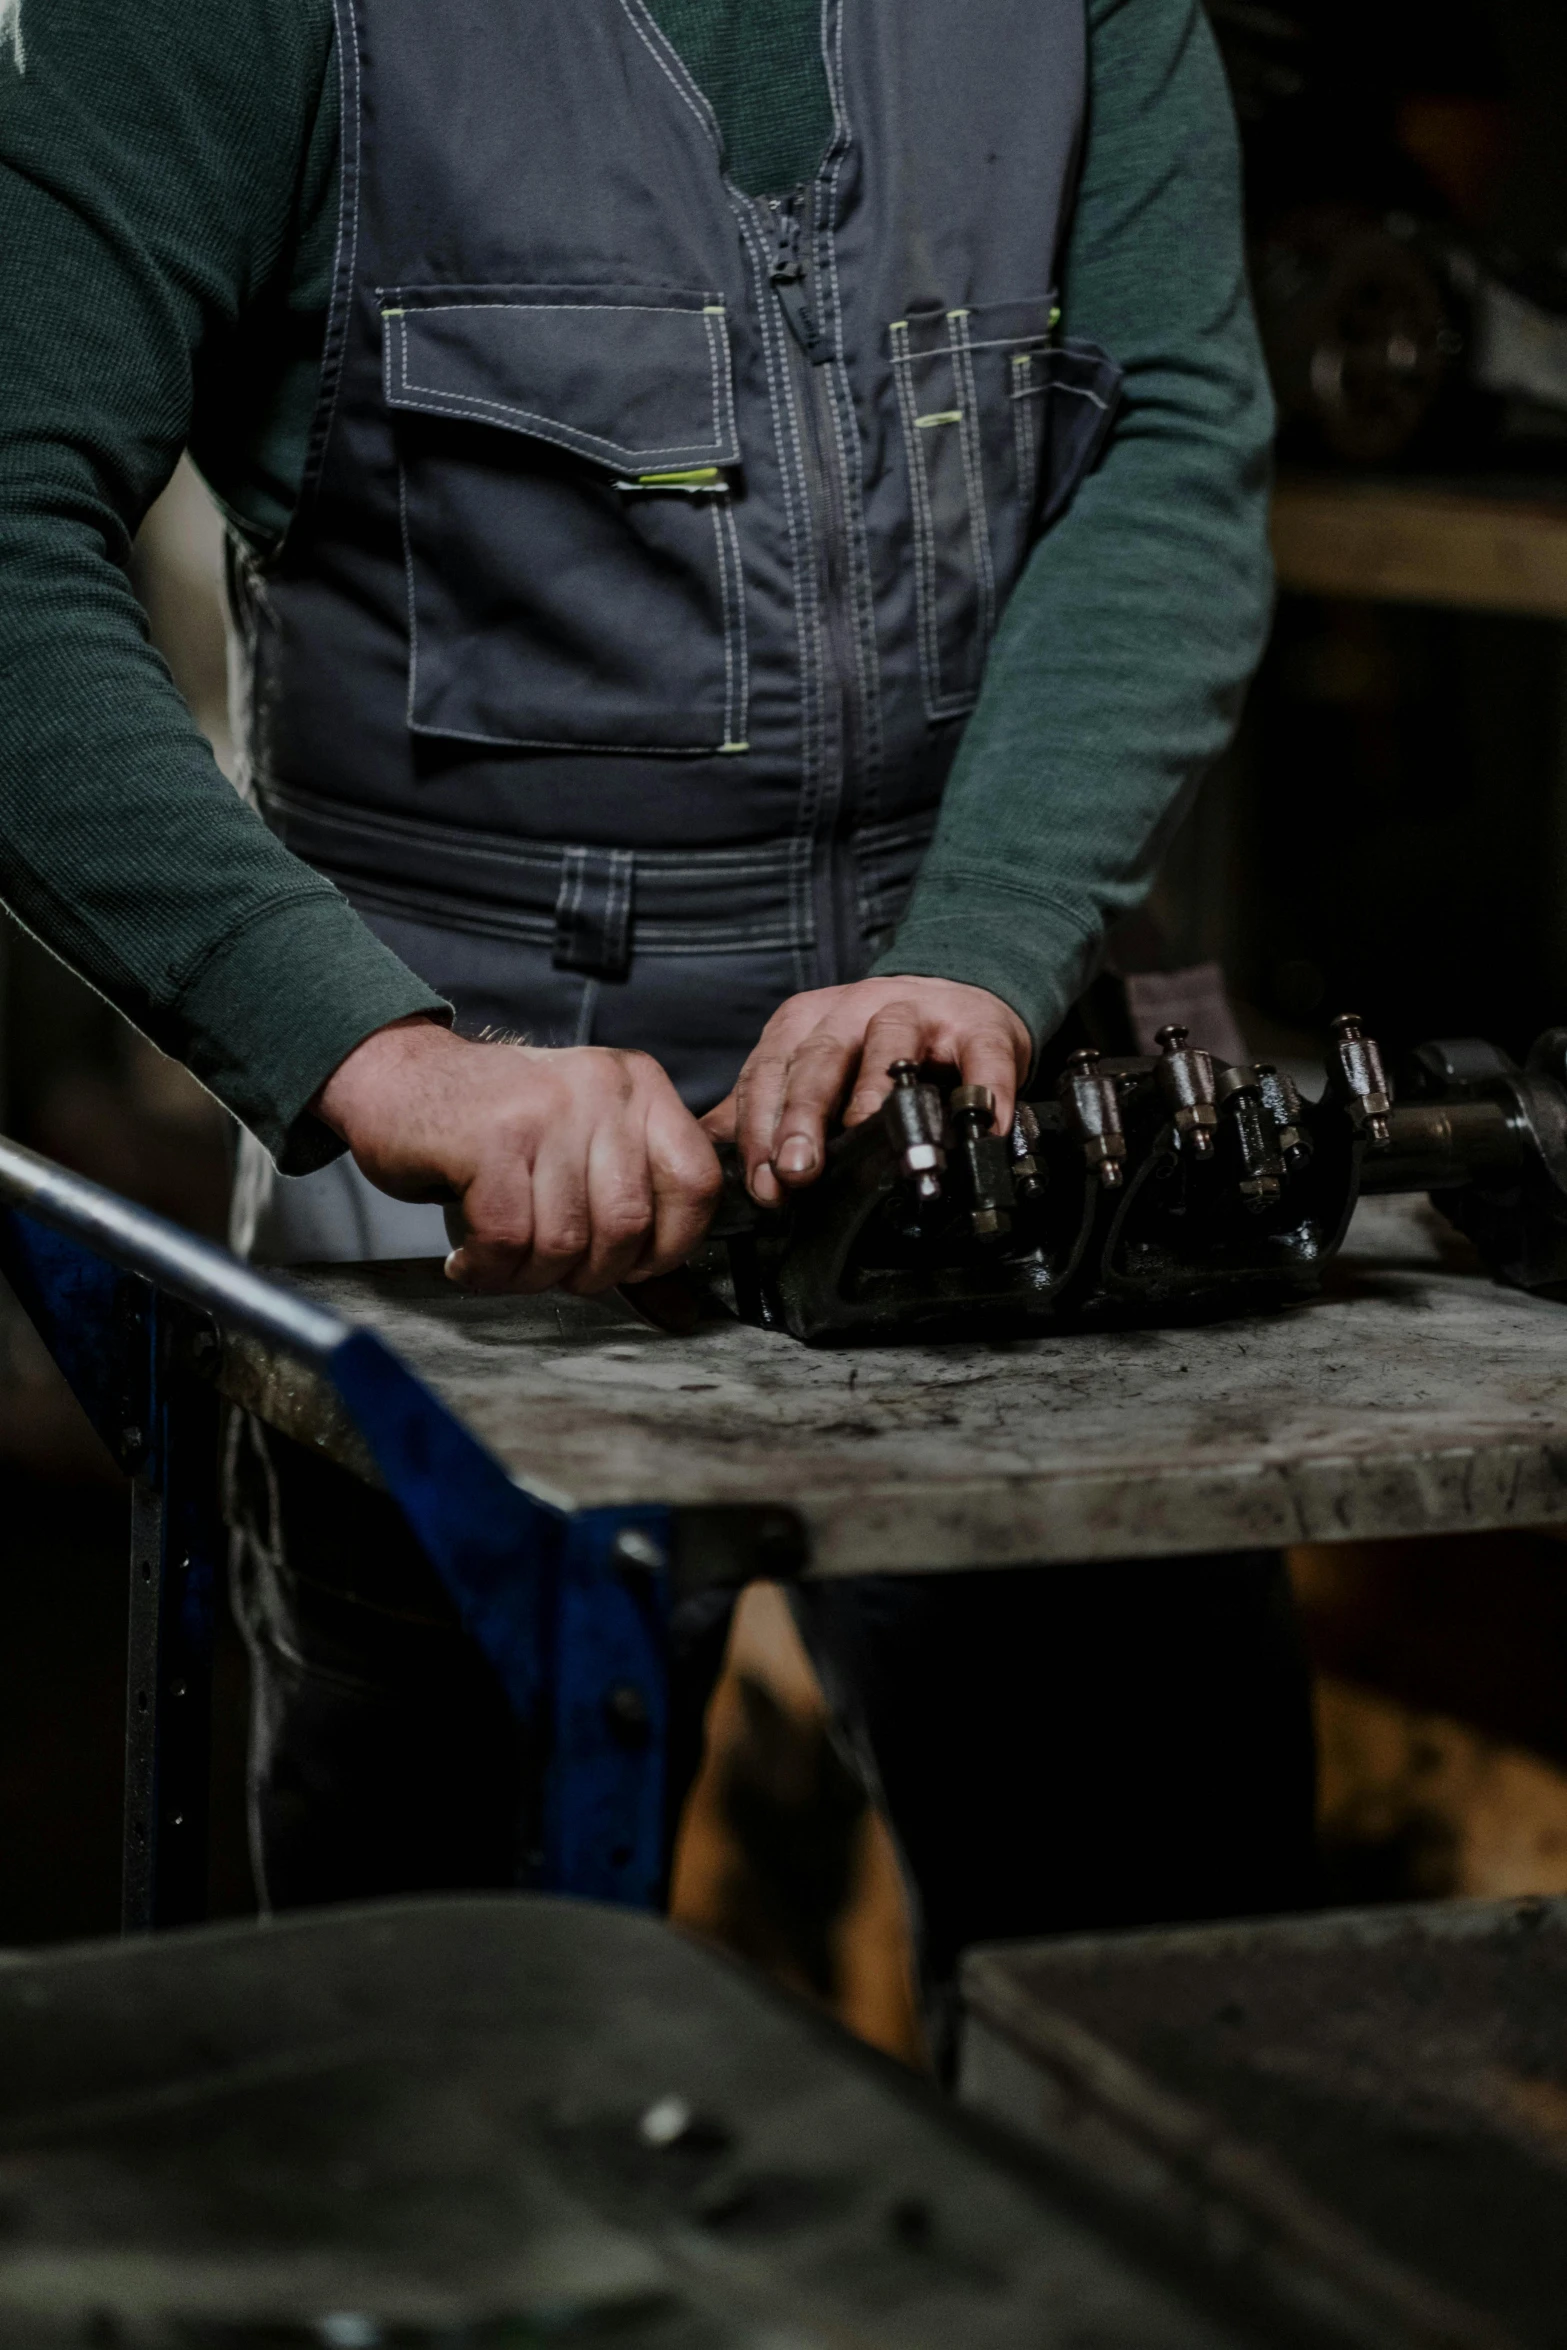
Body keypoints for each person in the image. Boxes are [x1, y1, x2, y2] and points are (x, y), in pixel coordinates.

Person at [0, 0, 1316, 2025]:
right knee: (449, 2065)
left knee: (1169, 2019)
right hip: (462, 1161)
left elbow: (1171, 445)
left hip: (988, 1088)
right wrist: (377, 1050)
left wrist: (979, 942)